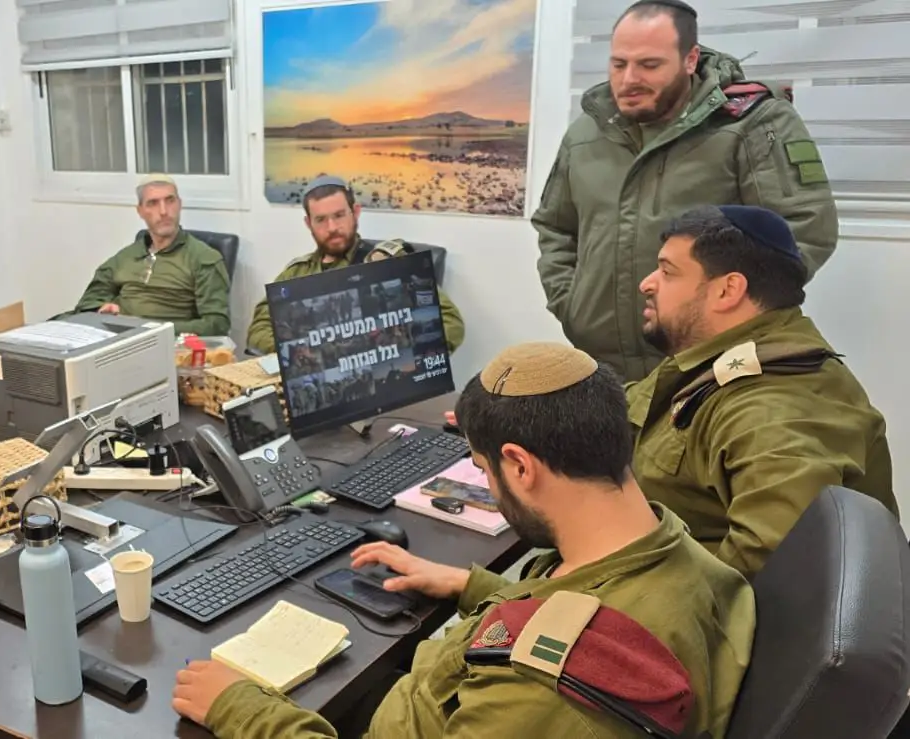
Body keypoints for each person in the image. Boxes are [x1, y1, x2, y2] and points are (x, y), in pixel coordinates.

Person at [172, 342, 754, 738]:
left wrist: (242, 710)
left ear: (520, 466)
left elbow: (563, 655)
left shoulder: (551, 690)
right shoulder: (671, 547)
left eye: (483, 468)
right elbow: (579, 612)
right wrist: (474, 585)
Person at [533, 0, 837, 382]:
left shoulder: (752, 123)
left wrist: (719, 315)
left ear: (690, 59)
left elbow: (805, 228)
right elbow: (556, 227)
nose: (629, 79)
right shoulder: (586, 133)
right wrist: (572, 305)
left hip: (710, 369)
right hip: (605, 369)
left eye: (649, 64)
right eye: (618, 64)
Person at [630, 204, 894, 577]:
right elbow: (632, 411)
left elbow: (773, 569)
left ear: (728, 290)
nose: (647, 282)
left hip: (704, 620)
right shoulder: (714, 358)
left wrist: (629, 602)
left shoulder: (774, 405)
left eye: (668, 271)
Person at [247, 175, 465, 354]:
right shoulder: (296, 272)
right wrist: (296, 352)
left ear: (356, 212)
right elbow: (259, 329)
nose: (332, 227)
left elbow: (449, 323)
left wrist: (394, 348)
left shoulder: (388, 262)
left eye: (339, 215)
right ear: (308, 223)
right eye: (321, 219)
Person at [71, 175, 232, 336]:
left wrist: (150, 329)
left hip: (165, 344)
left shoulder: (204, 259)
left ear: (179, 204)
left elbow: (217, 324)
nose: (163, 211)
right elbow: (88, 302)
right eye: (153, 203)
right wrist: (102, 309)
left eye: (170, 201)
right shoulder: (126, 256)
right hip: (116, 337)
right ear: (140, 211)